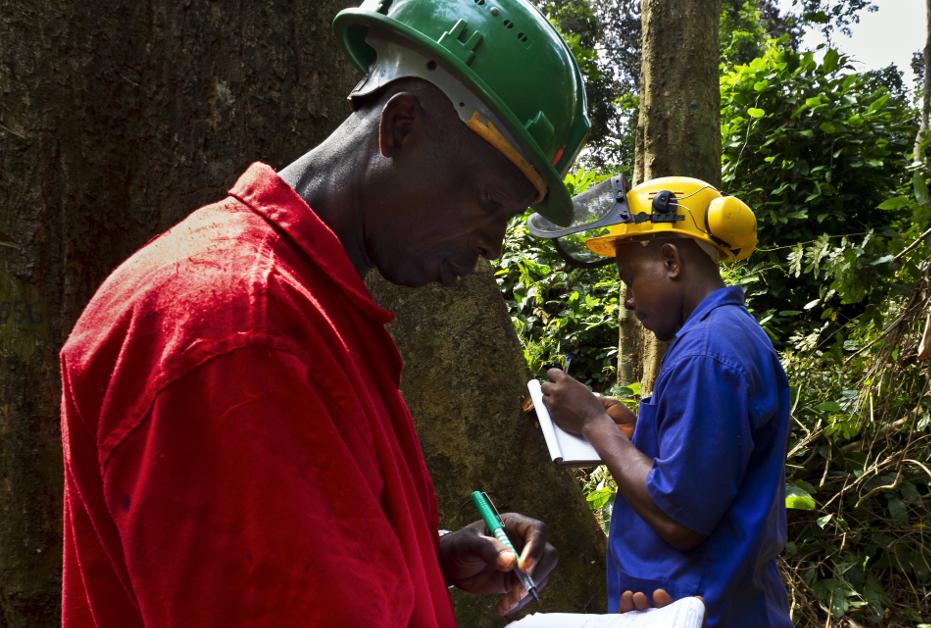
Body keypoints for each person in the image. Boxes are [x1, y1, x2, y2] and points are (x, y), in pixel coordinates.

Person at [58, 0, 590, 625]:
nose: (493, 245)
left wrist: (422, 555)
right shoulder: (239, 328)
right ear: (403, 125)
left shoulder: (309, 308)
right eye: (490, 202)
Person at [536, 177, 792, 627]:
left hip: (704, 609)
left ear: (671, 260)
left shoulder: (707, 353)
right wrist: (636, 432)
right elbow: (703, 465)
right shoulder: (725, 335)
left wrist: (594, 422)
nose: (631, 300)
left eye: (630, 279)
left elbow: (682, 519)